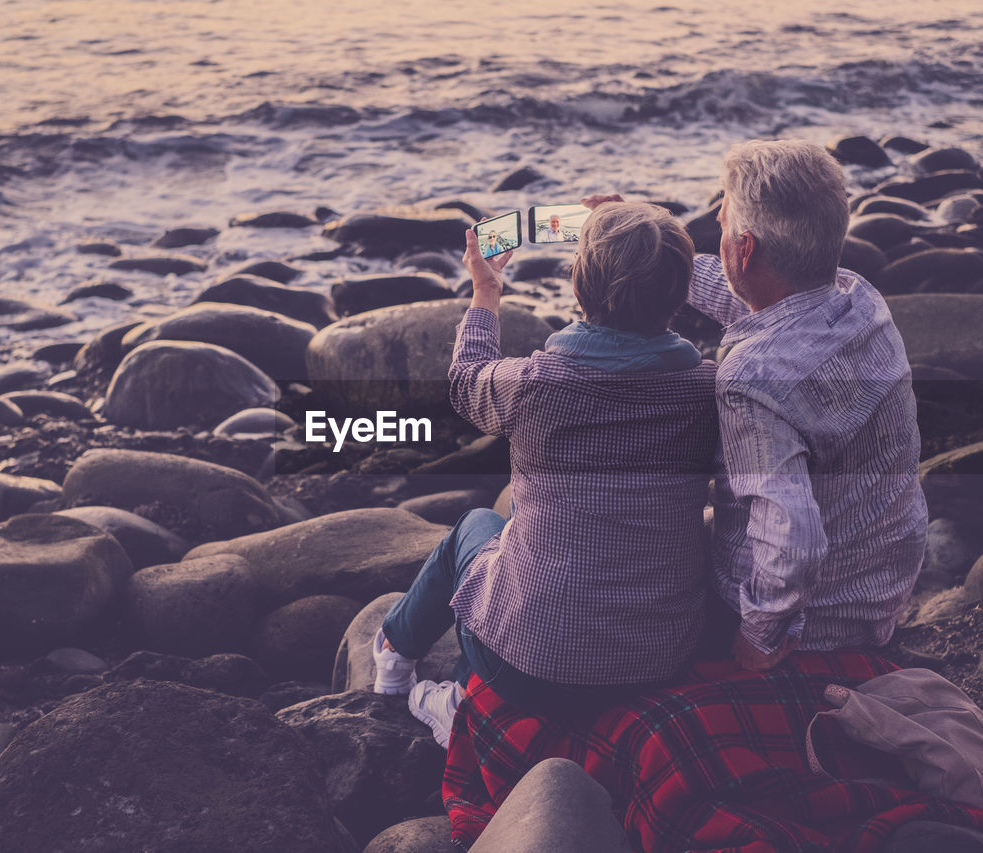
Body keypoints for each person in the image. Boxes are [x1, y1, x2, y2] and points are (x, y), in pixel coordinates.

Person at [373, 202, 719, 746]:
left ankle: (402, 666)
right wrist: (649, 234)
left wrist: (486, 291)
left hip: (522, 667)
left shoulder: (533, 385)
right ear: (682, 295)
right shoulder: (710, 391)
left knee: (476, 525)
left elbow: (465, 379)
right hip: (657, 664)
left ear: (577, 291)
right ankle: (449, 687)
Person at [585, 139, 927, 674]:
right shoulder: (857, 300)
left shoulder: (755, 378)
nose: (717, 237)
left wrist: (760, 635)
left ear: (743, 249)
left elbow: (794, 540)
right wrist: (647, 251)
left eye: (721, 226)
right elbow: (742, 295)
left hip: (815, 621)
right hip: (879, 585)